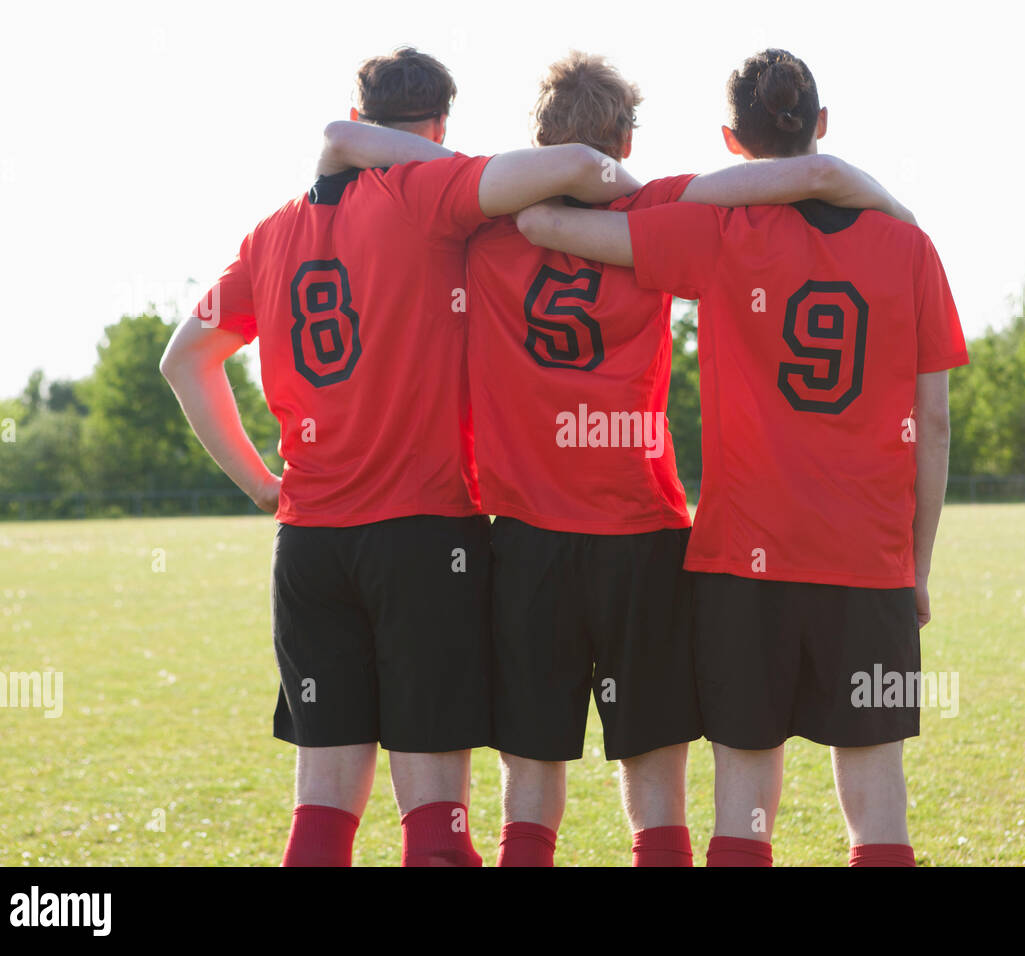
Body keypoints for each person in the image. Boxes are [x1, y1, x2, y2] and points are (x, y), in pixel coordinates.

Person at [316, 50, 914, 866]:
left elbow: (384, 153)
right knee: (655, 770)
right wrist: (879, 201)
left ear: (540, 140)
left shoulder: (485, 223)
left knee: (531, 776)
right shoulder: (656, 209)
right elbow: (794, 181)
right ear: (626, 141)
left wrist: (363, 151)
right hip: (642, 531)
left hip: (526, 537)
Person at [159, 46, 641, 867]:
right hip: (423, 538)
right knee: (437, 829)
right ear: (438, 124)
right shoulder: (427, 193)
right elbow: (575, 166)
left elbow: (184, 359)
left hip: (309, 542)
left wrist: (260, 485)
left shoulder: (273, 233)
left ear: (359, 116)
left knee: (319, 818)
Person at [515, 48, 967, 867]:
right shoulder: (912, 247)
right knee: (879, 810)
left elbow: (551, 225)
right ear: (821, 124)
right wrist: (917, 566)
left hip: (741, 563)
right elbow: (931, 425)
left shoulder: (717, 229)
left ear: (732, 139)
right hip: (869, 564)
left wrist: (545, 216)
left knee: (742, 813)